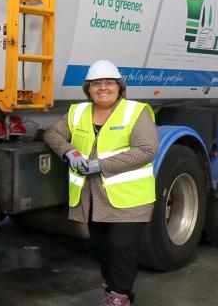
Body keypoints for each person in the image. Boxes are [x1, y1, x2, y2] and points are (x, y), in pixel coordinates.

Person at [43, 60, 159, 306]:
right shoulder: (78, 112)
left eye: (109, 82)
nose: (102, 87)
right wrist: (70, 152)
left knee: (121, 247)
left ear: (119, 86)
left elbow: (147, 149)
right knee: (100, 246)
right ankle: (111, 287)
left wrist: (99, 165)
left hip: (130, 198)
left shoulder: (135, 111)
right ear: (88, 88)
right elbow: (52, 133)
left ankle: (121, 296)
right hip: (92, 197)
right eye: (96, 83)